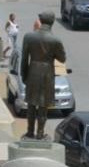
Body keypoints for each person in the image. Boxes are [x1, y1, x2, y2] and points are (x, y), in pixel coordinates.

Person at [19, 11, 67, 140]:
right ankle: (40, 133)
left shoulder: (29, 37)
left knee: (31, 105)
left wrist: (24, 75)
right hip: (47, 74)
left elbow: (24, 59)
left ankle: (29, 132)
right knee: (43, 106)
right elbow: (62, 59)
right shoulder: (55, 40)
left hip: (33, 72)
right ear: (52, 23)